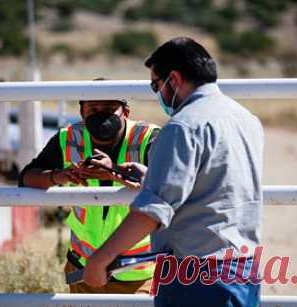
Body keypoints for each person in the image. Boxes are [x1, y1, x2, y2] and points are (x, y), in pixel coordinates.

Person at [82, 37, 264, 307]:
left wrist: (101, 259)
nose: (158, 93)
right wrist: (152, 177)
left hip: (195, 275)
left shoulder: (182, 126)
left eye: (157, 85)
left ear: (174, 79)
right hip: (244, 268)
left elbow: (152, 212)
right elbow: (219, 185)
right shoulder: (246, 119)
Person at [19, 92, 160, 294]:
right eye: (93, 110)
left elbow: (166, 187)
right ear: (82, 112)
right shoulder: (68, 138)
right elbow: (27, 177)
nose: (101, 115)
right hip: (83, 268)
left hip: (138, 271)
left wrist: (114, 171)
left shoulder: (148, 138)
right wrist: (60, 176)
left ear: (126, 112)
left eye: (110, 110)